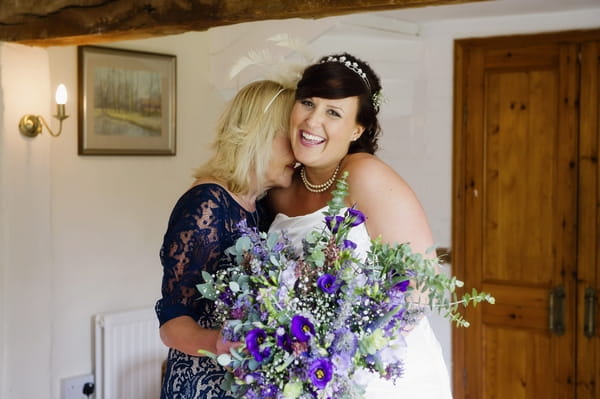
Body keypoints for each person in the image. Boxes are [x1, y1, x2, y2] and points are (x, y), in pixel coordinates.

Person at [265, 53, 453, 398]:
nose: (312, 121)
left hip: (382, 372)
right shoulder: (280, 187)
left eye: (333, 112)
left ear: (357, 128)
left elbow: (421, 285)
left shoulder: (365, 176)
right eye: (307, 102)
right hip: (303, 374)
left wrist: (348, 349)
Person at [156, 80, 296, 399]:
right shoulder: (207, 203)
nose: (298, 152)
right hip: (202, 385)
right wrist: (220, 343)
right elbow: (172, 324)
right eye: (290, 135)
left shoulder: (259, 206)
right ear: (259, 133)